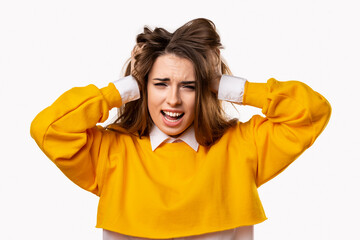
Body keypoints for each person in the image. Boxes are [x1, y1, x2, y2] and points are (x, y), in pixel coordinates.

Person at [30, 18, 331, 240]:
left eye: (189, 86)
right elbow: (48, 129)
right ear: (142, 88)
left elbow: (312, 112)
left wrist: (222, 84)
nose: (173, 99)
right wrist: (123, 89)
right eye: (160, 84)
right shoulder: (113, 151)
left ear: (205, 90)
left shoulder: (240, 146)